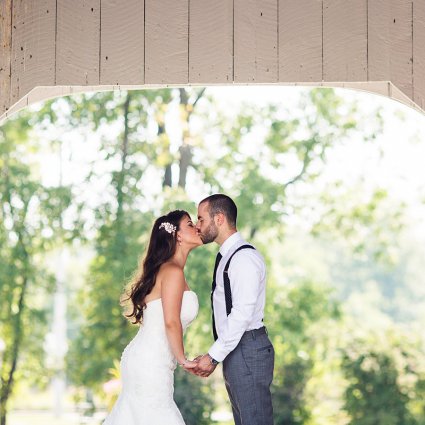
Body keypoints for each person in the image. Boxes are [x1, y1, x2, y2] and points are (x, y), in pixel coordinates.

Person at [103, 210, 201, 425]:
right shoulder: (172, 271)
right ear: (178, 236)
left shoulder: (168, 270)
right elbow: (171, 321)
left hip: (149, 358)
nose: (197, 227)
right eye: (190, 224)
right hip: (150, 362)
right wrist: (184, 359)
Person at [192, 194, 275, 425]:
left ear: (219, 219)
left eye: (201, 219)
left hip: (248, 349)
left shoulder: (243, 258)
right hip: (238, 350)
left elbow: (241, 315)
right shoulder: (227, 256)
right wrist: (216, 354)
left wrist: (212, 356)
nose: (198, 226)